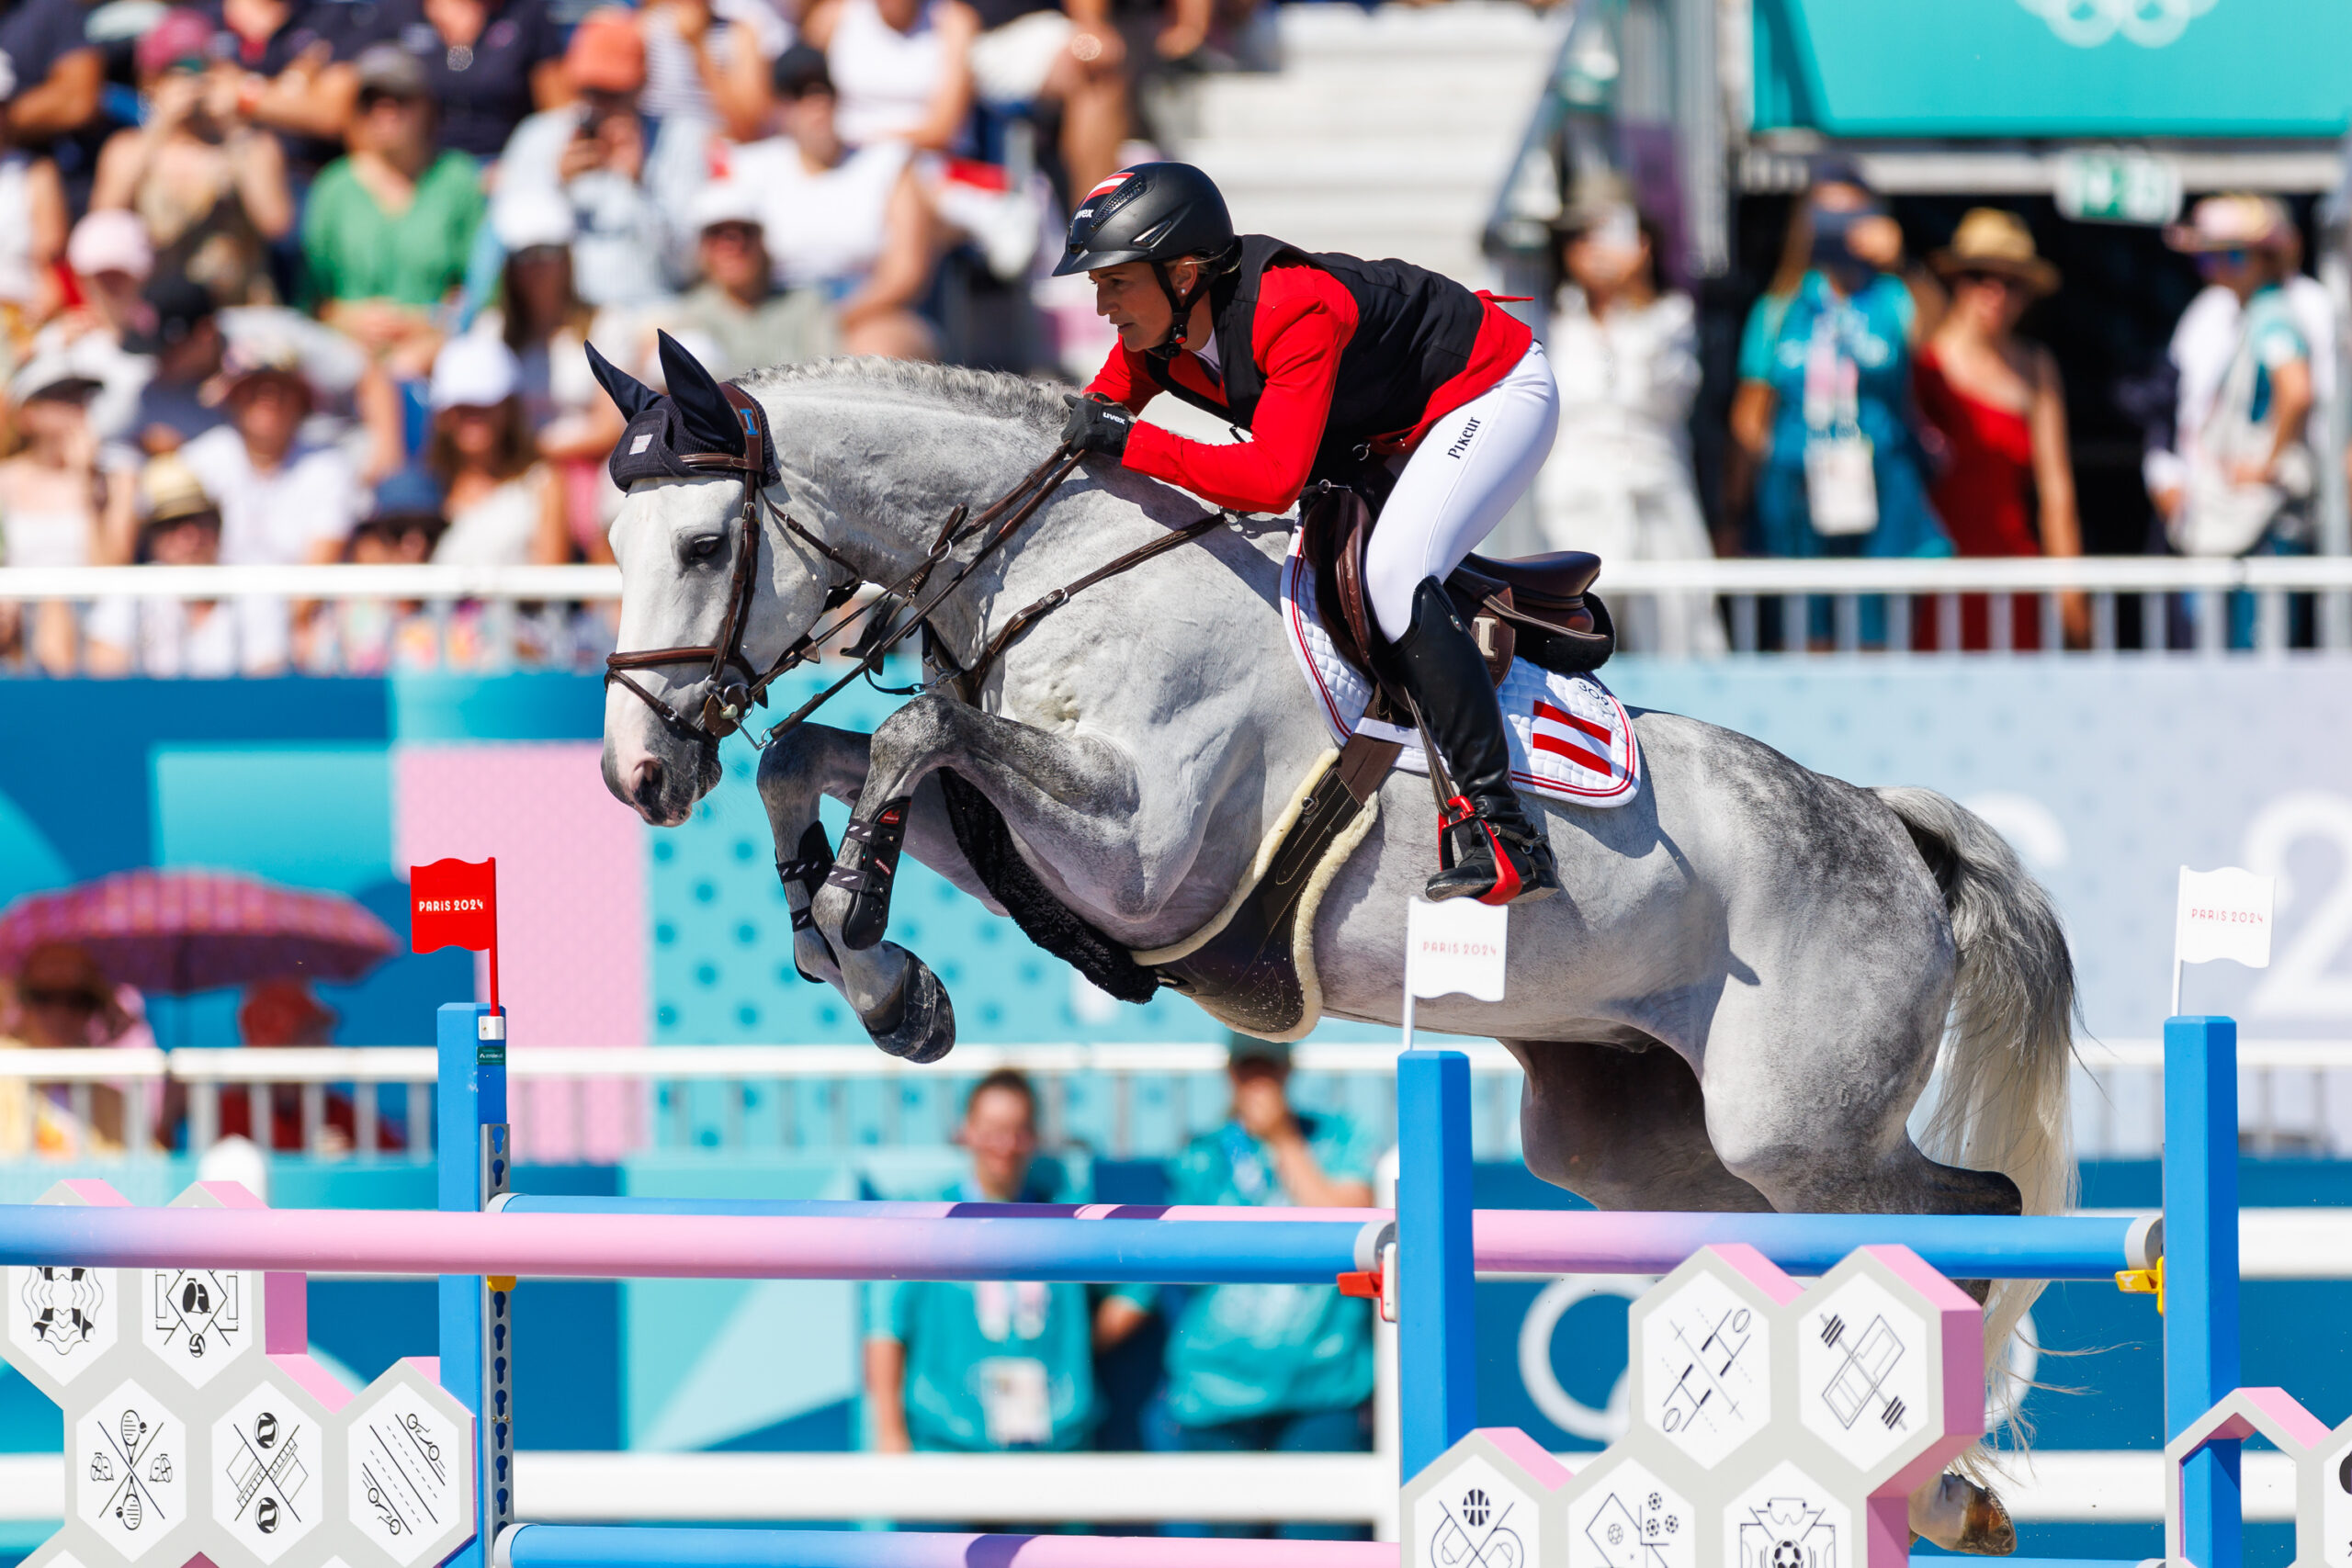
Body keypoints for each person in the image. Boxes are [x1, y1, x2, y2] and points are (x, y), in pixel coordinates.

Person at [1057, 161, 1561, 905]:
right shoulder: (1154, 334)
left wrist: (1132, 442)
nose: (1102, 307)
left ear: (1186, 273)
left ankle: (1504, 830)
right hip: (1386, 433)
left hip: (1492, 390)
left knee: (1394, 575)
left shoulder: (1294, 308)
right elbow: (1084, 422)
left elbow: (1269, 479)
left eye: (1115, 283)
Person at [1142, 1037, 1376, 1537]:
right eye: (1248, 1072)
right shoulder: (1200, 1157)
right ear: (1231, 1077)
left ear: (1289, 1074)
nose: (1259, 1085)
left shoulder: (1339, 1137)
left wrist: (1282, 1139)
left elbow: (1350, 1226)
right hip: (1216, 1399)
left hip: (1322, 1394)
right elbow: (1189, 1257)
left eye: (1268, 1072)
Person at [1724, 166, 1948, 648]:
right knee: (1809, 635)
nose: (1842, 229)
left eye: (1855, 215)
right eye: (1827, 215)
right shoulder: (1780, 307)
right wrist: (1733, 515)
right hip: (1797, 488)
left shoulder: (1894, 297)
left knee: (1880, 635)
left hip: (1882, 484)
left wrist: (1903, 262)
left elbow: (1941, 339)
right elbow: (1751, 413)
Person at [864, 1070, 1143, 1456]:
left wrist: (1075, 1344)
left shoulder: (1064, 1214)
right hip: (949, 1447)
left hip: (1054, 1448)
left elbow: (1137, 1282)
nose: (1005, 1145)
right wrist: (889, 1432)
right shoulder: (926, 1217)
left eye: (1018, 1130)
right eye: (993, 1129)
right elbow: (885, 1326)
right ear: (967, 1132)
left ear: (1034, 1138)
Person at [1538, 193, 1723, 657]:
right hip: (1575, 497)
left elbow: (1651, 395)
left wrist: (1628, 295)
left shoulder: (1671, 317)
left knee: (1678, 624)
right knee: (1578, 624)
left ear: (1642, 246)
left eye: (1607, 237)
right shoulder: (1550, 318)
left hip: (1657, 492)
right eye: (1582, 239)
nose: (1595, 251)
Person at [1912, 208, 2086, 652]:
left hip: (2013, 575)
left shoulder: (2035, 367)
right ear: (1956, 280)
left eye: (2013, 283)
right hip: (1933, 577)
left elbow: (2057, 494)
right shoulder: (1919, 362)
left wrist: (2071, 599)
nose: (1995, 293)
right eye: (1980, 276)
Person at [2157, 195, 2315, 648]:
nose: (2219, 268)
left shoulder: (2271, 315)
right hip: (2249, 525)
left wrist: (2265, 463)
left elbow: (2297, 390)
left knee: (2255, 662)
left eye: (2233, 254)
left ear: (2266, 259)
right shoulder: (2253, 316)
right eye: (2209, 256)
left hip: (2263, 528)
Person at [490, 9, 712, 310]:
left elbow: (687, 268)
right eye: (590, 91)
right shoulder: (538, 137)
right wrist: (554, 186)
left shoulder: (679, 140)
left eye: (613, 93)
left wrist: (640, 185)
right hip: (562, 317)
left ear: (641, 84)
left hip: (653, 311)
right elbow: (508, 248)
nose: (598, 107)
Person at [734, 46, 939, 360]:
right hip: (776, 308)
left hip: (871, 311)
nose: (816, 102)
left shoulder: (887, 162)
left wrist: (834, 318)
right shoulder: (753, 167)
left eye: (824, 89)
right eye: (799, 93)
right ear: (781, 107)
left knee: (872, 358)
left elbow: (906, 272)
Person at [300, 45, 484, 378]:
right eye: (372, 102)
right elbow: (312, 297)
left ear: (426, 107)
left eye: (400, 99)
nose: (386, 112)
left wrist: (427, 325)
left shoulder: (457, 180)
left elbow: (477, 286)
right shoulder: (334, 187)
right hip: (346, 359)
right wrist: (348, 320)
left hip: (435, 357)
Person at [90, 8, 292, 310]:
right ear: (151, 81)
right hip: (158, 314)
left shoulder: (253, 145)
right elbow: (103, 227)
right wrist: (160, 128)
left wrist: (233, 125)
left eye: (201, 68)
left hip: (240, 311)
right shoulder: (127, 149)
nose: (191, 81)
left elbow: (276, 224)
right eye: (176, 69)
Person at [86, 452, 289, 675]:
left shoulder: (254, 593)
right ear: (151, 537)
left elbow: (267, 681)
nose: (189, 537)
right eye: (172, 524)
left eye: (199, 521)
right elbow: (106, 679)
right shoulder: (128, 597)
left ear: (217, 526)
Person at [179, 335, 358, 566]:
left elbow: (318, 570)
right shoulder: (199, 460)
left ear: (302, 402)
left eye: (282, 390)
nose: (269, 400)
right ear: (234, 397)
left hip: (298, 596)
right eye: (255, 389)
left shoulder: (328, 467)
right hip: (215, 599)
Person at [344, 0, 567, 161]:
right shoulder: (397, 13)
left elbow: (557, 115)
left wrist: (521, 169)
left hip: (505, 168)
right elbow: (357, 104)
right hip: (419, 171)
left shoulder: (527, 12)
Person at [423, 333, 567, 566]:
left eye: (485, 404)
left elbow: (549, 582)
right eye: (461, 406)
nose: (473, 416)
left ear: (509, 407)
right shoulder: (426, 486)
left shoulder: (542, 484)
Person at [676, 181, 841, 378]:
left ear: (763, 241)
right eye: (718, 235)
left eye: (744, 232)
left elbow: (830, 380)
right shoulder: (692, 316)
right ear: (703, 249)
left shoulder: (808, 305)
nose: (733, 246)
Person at [965, 0, 1126, 194]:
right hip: (986, 37)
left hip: (1055, 28)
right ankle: (1093, 213)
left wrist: (1092, 28)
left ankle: (1098, 207)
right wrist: (1091, 30)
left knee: (1098, 64)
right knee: (1092, 71)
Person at [0, 942, 136, 1154]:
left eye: (77, 1000)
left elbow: (145, 1175)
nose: (60, 1012)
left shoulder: (113, 1103)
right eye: (44, 997)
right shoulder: (5, 1076)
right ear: (22, 1001)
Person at [802, 0, 978, 153]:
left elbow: (943, 130)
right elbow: (804, 94)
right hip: (847, 160)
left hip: (927, 162)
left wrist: (866, 145)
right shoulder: (834, 15)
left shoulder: (954, 20)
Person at [639, 0, 786, 142]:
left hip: (719, 154)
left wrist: (699, 45)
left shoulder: (738, 34)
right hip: (659, 156)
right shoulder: (645, 29)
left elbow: (750, 127)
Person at [116, 276, 231, 458]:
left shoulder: (258, 366)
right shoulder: (147, 396)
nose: (159, 359)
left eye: (169, 351)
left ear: (205, 333)